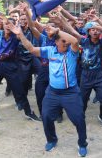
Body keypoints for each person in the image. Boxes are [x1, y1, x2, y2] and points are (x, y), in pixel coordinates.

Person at [10, 23, 88, 157]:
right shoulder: (50, 50)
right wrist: (20, 34)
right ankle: (52, 139)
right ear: (56, 41)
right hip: (52, 92)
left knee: (79, 119)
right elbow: (32, 49)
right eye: (62, 41)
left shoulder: (72, 53)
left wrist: (57, 30)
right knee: (46, 116)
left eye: (66, 41)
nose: (66, 43)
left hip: (70, 93)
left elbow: (75, 40)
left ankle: (82, 143)